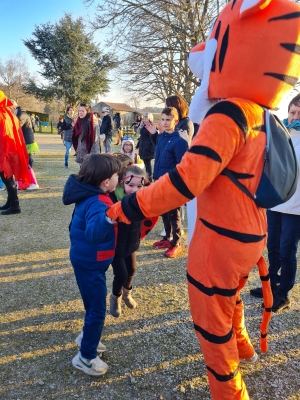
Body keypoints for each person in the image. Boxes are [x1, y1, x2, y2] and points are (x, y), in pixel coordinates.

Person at [106, 0, 300, 397]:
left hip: (222, 238)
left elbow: (185, 181)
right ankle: (243, 346)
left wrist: (129, 207)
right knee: (231, 298)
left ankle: (229, 389)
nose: (201, 53)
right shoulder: (262, 113)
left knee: (210, 316)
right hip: (252, 232)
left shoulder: (229, 114)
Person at [62, 153, 121, 376]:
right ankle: (86, 356)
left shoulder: (90, 194)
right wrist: (110, 217)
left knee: (92, 306)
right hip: (90, 263)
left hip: (86, 259)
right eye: (117, 175)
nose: (119, 178)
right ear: (106, 182)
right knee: (97, 310)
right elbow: (94, 233)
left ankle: (87, 337)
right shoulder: (100, 202)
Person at [250, 94, 300, 312]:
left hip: (296, 206)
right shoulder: (280, 132)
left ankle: (284, 293)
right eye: (292, 112)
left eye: (299, 114)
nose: (295, 117)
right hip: (275, 202)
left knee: (287, 250)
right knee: (272, 247)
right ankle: (271, 283)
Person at [147, 107, 188, 258]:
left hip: (172, 184)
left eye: (168, 120)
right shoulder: (161, 137)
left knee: (173, 213)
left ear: (175, 121)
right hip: (159, 181)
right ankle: (167, 237)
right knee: (163, 211)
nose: (164, 123)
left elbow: (182, 165)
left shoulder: (180, 141)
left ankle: (176, 242)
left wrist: (176, 184)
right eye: (162, 119)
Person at [109, 164, 148, 317]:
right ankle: (115, 298)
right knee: (121, 274)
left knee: (132, 270)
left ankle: (127, 293)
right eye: (130, 185)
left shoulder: (142, 199)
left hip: (131, 244)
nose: (135, 189)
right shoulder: (113, 198)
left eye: (139, 186)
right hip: (115, 246)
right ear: (121, 183)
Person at [0, 91, 30, 215]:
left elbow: (4, 135)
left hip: (5, 151)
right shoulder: (7, 113)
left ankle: (15, 205)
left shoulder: (3, 114)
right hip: (10, 149)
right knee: (8, 177)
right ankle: (10, 202)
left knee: (6, 177)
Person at [10, 100, 39, 190]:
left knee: (26, 163)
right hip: (26, 141)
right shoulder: (21, 113)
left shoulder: (21, 115)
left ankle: (33, 183)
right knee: (25, 163)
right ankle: (25, 182)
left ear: (13, 107)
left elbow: (15, 127)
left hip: (26, 142)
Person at [136, 112, 156, 181]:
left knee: (147, 163)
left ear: (150, 117)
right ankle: (147, 176)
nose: (145, 118)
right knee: (145, 162)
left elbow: (153, 138)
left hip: (148, 147)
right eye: (144, 117)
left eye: (146, 117)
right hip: (143, 146)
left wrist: (152, 149)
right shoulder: (143, 125)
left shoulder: (150, 125)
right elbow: (141, 137)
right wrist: (138, 145)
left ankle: (149, 177)